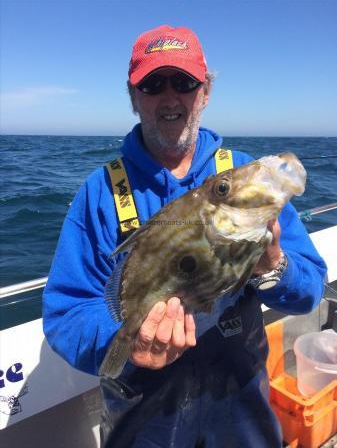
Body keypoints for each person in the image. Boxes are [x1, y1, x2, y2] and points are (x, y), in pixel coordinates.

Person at [43, 25, 327, 448]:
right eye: (154, 84)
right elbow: (66, 315)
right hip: (144, 424)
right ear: (134, 97)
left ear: (206, 92)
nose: (171, 97)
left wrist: (273, 267)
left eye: (186, 82)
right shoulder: (100, 193)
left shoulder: (246, 178)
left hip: (242, 412)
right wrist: (126, 340)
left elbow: (310, 290)